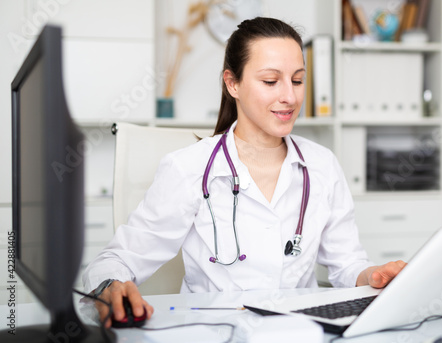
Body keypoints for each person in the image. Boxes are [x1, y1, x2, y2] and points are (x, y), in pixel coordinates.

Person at [83, 16, 406, 328]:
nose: (290, 97)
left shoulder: (321, 165)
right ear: (232, 83)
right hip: (213, 330)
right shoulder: (189, 167)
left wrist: (375, 275)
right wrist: (110, 285)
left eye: (297, 80)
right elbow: (120, 258)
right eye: (270, 81)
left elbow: (347, 264)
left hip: (301, 330)